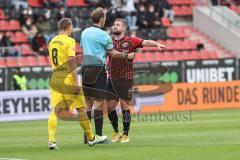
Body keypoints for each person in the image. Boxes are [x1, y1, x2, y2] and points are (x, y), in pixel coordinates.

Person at [48, 18, 107, 150]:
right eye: (71, 27)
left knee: (55, 110)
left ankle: (51, 140)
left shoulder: (52, 41)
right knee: (81, 109)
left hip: (55, 78)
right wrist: (75, 82)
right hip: (67, 78)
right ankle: (91, 138)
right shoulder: (69, 41)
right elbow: (71, 62)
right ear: (68, 27)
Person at [80, 7, 135, 143]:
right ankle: (98, 136)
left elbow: (84, 47)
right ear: (102, 19)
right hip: (97, 69)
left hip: (85, 68)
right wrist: (127, 55)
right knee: (99, 103)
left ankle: (87, 137)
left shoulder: (84, 32)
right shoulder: (104, 35)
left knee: (88, 103)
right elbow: (113, 53)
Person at [107, 18, 166, 143]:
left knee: (124, 105)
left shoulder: (130, 41)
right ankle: (116, 132)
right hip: (111, 78)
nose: (115, 26)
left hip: (125, 78)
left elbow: (145, 42)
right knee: (110, 107)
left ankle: (126, 134)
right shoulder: (108, 41)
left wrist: (156, 44)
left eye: (118, 25)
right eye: (114, 24)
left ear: (124, 28)